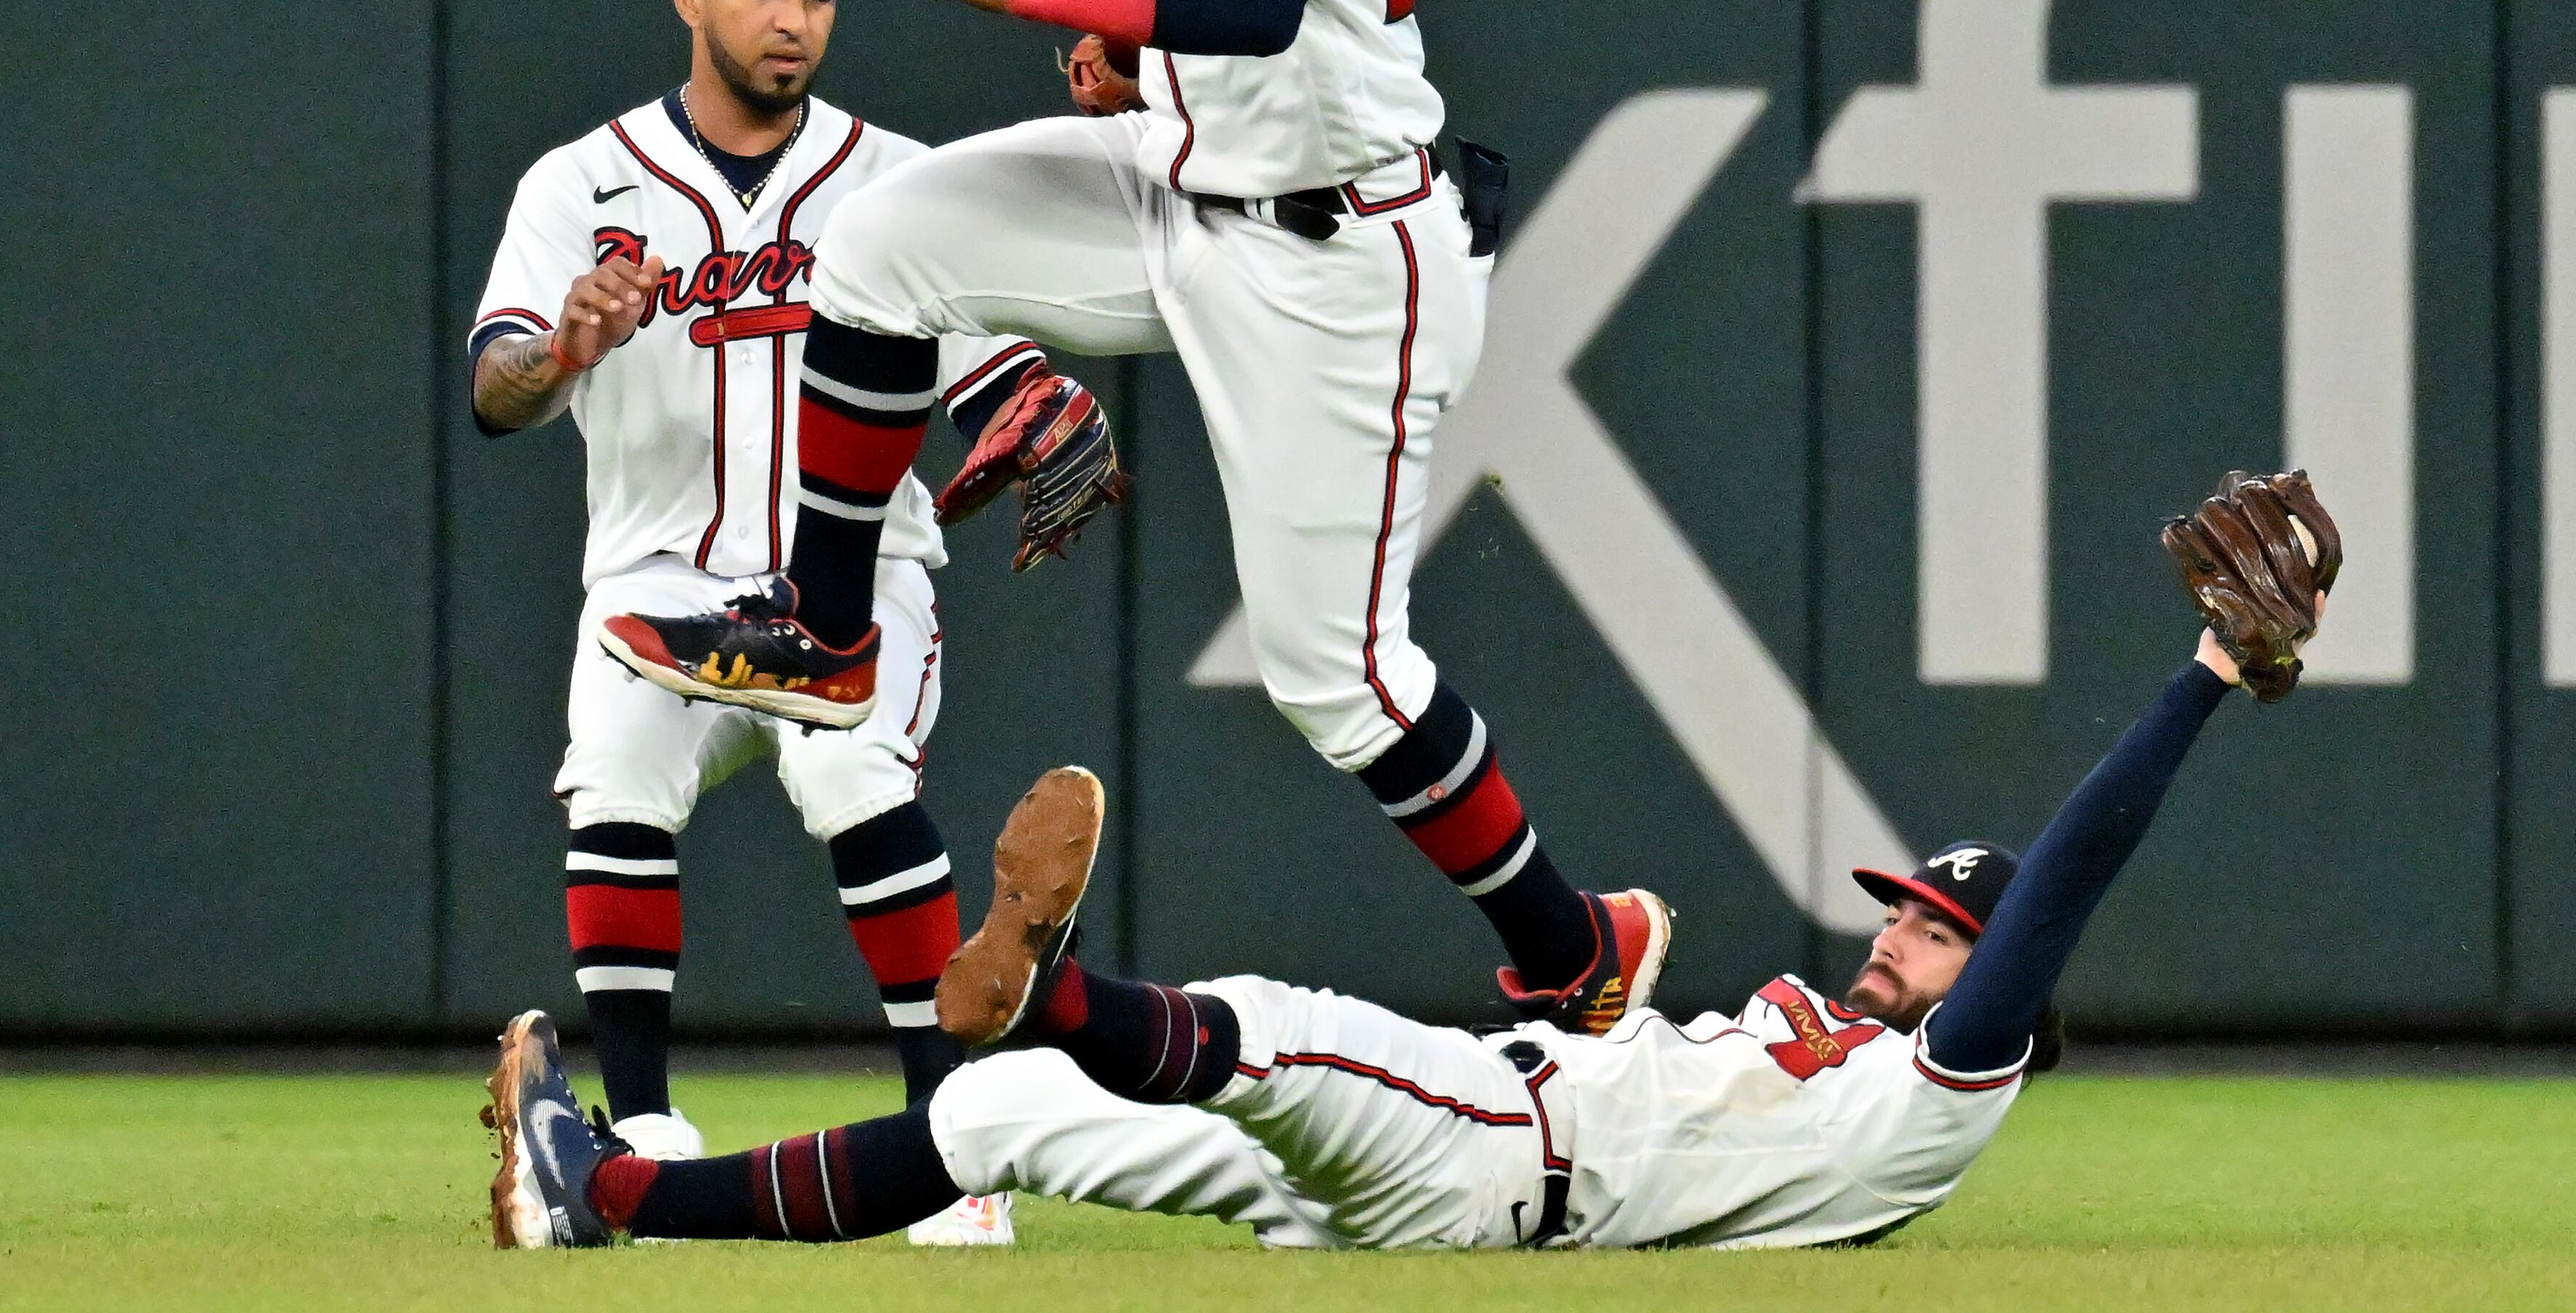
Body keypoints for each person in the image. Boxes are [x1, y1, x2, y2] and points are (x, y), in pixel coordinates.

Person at [603, 0, 1663, 1035]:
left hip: (1337, 259)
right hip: (1197, 181)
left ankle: (1573, 947)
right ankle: (830, 628)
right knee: (875, 246)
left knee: (1334, 679)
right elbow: (1246, 20)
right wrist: (1146, 65)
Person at [484, 491, 2335, 1252]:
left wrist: (2201, 683)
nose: (1907, 934)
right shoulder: (1829, 1050)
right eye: (1912, 908)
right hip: (1494, 1151)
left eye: (1944, 930)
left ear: (1999, 984)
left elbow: (2069, 879)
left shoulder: (1944, 1095)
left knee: (1272, 1023)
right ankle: (617, 1201)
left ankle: (1048, 977)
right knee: (1006, 1122)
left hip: (1503, 1157)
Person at [467, 0, 1121, 1247]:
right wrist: (565, 348)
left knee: (848, 769)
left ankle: (953, 1139)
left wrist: (1031, 397)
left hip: (852, 577)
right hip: (658, 583)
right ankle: (638, 1126)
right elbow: (496, 388)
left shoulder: (892, 178)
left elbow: (992, 371)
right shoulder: (576, 183)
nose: (795, 17)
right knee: (620, 769)